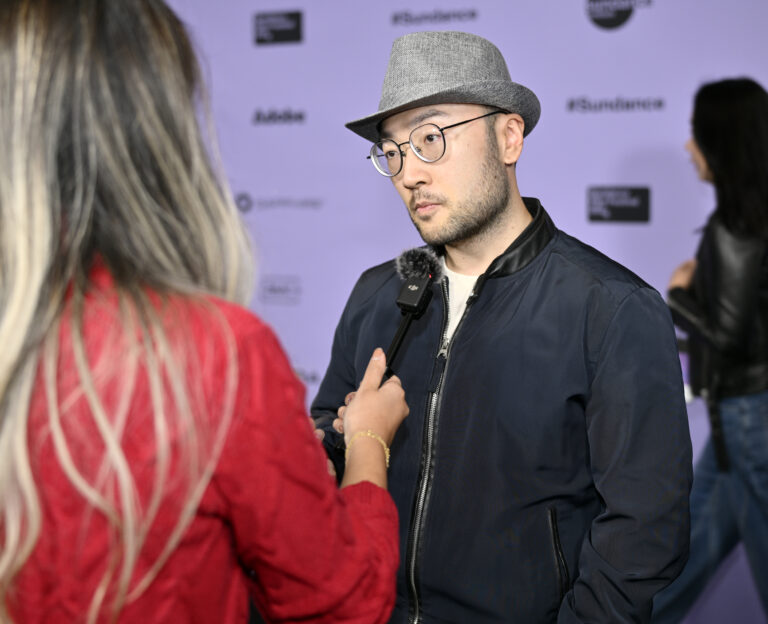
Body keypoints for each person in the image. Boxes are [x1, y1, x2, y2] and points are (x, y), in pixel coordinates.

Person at [0, 1, 409, 622]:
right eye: (397, 147)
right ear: (155, 127)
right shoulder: (215, 355)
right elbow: (342, 606)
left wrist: (264, 466)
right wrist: (369, 444)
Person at [312, 30, 693, 623]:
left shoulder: (612, 307)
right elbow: (325, 446)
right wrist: (333, 441)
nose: (408, 173)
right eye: (391, 151)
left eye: (431, 139)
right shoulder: (374, 294)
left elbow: (643, 535)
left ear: (508, 136)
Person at [651, 78, 768, 623]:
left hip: (750, 421)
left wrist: (677, 295)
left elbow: (730, 335)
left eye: (695, 132)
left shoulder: (737, 227)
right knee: (676, 572)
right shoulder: (745, 221)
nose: (687, 145)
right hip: (736, 424)